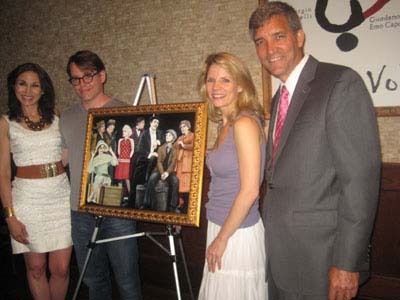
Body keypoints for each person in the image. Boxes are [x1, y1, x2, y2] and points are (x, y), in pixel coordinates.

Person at [248, 2, 381, 299]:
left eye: (278, 36)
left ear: (299, 37)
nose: (270, 49)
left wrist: (347, 263)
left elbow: (359, 182)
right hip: (281, 255)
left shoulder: (340, 84)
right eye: (261, 41)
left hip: (321, 261)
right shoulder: (279, 98)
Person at [60, 50, 142, 300]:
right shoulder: (66, 117)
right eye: (75, 79)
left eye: (88, 76)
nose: (82, 84)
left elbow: (137, 164)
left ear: (102, 75)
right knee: (94, 280)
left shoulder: (124, 112)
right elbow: (62, 160)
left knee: (127, 280)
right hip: (80, 212)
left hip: (117, 210)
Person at [197, 52, 267, 300]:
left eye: (225, 80)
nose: (216, 87)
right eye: (211, 80)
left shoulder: (244, 124)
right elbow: (228, 163)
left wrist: (222, 239)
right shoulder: (225, 124)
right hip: (221, 225)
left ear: (240, 86)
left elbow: (250, 190)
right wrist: (195, 147)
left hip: (236, 233)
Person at [0, 63, 72, 300]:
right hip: (27, 200)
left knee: (60, 268)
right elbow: (3, 173)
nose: (28, 90)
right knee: (36, 268)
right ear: (14, 87)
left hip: (60, 196)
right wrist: (10, 216)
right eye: (22, 84)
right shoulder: (5, 122)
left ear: (43, 90)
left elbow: (67, 155)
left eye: (34, 85)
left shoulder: (57, 117)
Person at [144, 129, 179, 212]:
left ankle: (172, 206)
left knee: (175, 181)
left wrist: (167, 173)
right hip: (159, 170)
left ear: (173, 138)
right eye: (166, 135)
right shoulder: (161, 148)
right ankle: (148, 204)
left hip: (169, 172)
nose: (167, 137)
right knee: (152, 178)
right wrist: (162, 172)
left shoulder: (175, 150)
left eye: (169, 135)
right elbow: (159, 162)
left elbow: (173, 163)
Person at [175, 120, 194, 210]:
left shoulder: (192, 135)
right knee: (180, 184)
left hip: (187, 163)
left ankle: (187, 205)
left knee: (186, 184)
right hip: (179, 162)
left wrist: (184, 145)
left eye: (184, 126)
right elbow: (175, 146)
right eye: (181, 127)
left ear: (188, 127)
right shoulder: (180, 137)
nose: (182, 128)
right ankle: (180, 203)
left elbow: (195, 146)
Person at [114, 124, 135, 195]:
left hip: (127, 161)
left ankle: (130, 194)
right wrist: (119, 157)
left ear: (128, 132)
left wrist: (129, 157)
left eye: (125, 131)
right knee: (119, 178)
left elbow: (132, 150)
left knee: (126, 178)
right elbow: (118, 150)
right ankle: (120, 195)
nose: (123, 132)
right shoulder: (120, 140)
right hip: (120, 160)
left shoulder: (131, 140)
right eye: (123, 131)